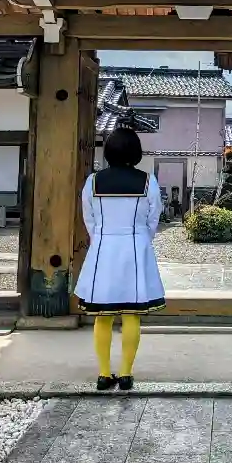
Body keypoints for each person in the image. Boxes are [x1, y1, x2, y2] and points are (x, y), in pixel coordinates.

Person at [74, 127, 166, 391]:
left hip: (103, 248)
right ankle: (126, 374)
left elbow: (89, 218)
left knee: (102, 315)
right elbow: (153, 218)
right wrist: (141, 239)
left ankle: (104, 374)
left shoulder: (93, 182)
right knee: (131, 313)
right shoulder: (148, 181)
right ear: (136, 152)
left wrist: (101, 238)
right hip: (135, 248)